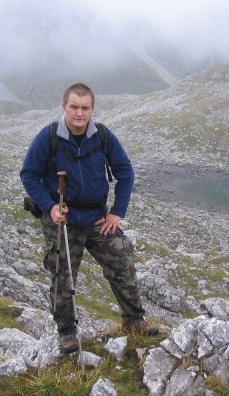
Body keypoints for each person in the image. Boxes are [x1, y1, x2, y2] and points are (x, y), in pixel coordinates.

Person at [20, 82, 158, 354]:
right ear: (64, 107)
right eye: (74, 107)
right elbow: (29, 174)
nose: (79, 113)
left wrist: (117, 212)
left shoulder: (103, 137)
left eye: (85, 108)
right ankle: (67, 333)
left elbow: (125, 172)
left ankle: (134, 321)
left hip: (96, 216)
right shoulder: (48, 137)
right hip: (63, 217)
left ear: (92, 109)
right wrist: (50, 207)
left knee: (122, 261)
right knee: (63, 274)